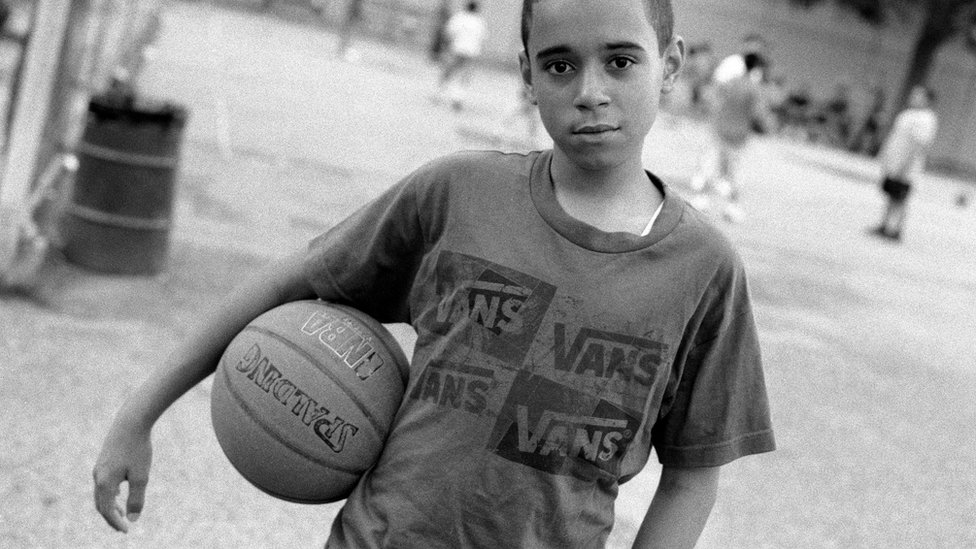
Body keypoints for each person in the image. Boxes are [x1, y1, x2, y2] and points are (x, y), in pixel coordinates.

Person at [93, 1, 776, 547]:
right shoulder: (458, 193)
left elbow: (691, 478)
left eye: (621, 60)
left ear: (670, 66)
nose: (591, 91)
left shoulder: (704, 269)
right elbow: (290, 281)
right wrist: (139, 411)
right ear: (527, 74)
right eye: (560, 65)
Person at [689, 35, 774, 222]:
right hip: (738, 136)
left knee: (711, 165)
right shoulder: (754, 89)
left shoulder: (731, 82)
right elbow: (759, 114)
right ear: (757, 68)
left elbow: (714, 96)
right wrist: (768, 127)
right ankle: (732, 207)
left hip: (720, 129)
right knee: (733, 173)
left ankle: (701, 199)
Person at [871, 85, 938, 241]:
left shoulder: (926, 119)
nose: (913, 97)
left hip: (906, 166)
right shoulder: (907, 114)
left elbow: (919, 144)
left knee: (900, 198)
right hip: (895, 161)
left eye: (918, 96)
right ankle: (884, 224)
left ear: (927, 99)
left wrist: (904, 165)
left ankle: (896, 229)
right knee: (890, 195)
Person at [437, 1, 486, 111]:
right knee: (464, 75)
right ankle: (458, 97)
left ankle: (440, 93)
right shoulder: (480, 21)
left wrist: (446, 45)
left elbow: (449, 31)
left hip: (457, 48)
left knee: (449, 71)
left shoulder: (459, 17)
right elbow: (483, 38)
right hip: (472, 51)